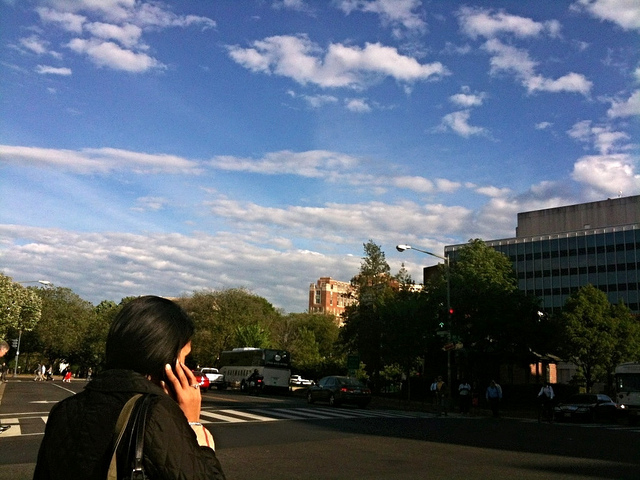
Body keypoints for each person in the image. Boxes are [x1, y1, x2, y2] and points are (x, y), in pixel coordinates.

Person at [33, 295, 226, 480]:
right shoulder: (156, 412)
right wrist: (194, 428)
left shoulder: (63, 410)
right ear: (166, 360)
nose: (187, 368)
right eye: (184, 358)